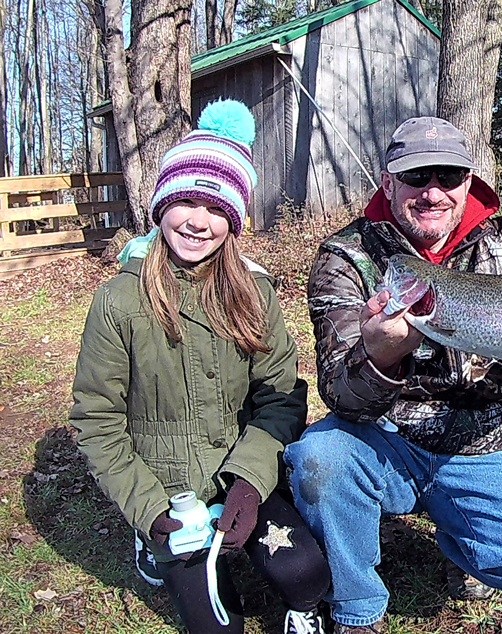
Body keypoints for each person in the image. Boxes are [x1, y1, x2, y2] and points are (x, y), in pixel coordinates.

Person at [283, 116, 502, 633]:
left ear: (468, 182)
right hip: (382, 439)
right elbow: (341, 396)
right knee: (320, 459)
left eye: (448, 176)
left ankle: (460, 535)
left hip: (485, 442)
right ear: (388, 182)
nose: (433, 192)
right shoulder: (348, 257)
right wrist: (380, 357)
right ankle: (356, 606)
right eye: (416, 177)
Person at [70, 100, 331, 634]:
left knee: (305, 574)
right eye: (185, 201)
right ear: (161, 205)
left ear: (233, 220)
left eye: (216, 207)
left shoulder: (254, 293)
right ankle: (152, 548)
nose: (198, 221)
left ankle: (302, 611)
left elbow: (281, 395)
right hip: (167, 491)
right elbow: (97, 421)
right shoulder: (118, 301)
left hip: (239, 471)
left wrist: (249, 484)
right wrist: (148, 509)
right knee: (217, 628)